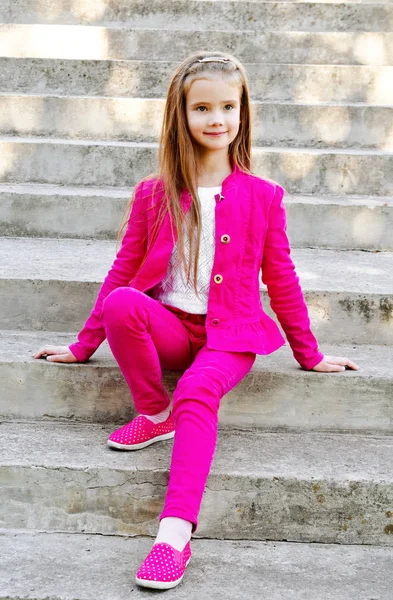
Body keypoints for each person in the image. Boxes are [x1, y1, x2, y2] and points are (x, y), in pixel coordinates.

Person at [32, 51, 359, 590]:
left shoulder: (264, 196)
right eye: (202, 107)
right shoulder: (153, 193)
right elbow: (124, 271)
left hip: (229, 338)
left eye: (228, 107)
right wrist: (84, 345)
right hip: (171, 326)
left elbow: (281, 278)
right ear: (179, 115)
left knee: (199, 392)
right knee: (122, 303)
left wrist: (311, 354)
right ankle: (154, 414)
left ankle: (173, 537)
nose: (216, 119)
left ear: (243, 112)